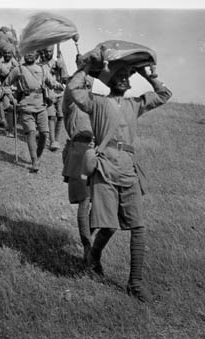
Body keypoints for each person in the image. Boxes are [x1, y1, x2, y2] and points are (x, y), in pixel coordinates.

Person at [67, 54, 172, 302]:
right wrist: (86, 68)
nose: (124, 80)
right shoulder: (96, 102)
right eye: (119, 76)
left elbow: (165, 95)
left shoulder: (135, 104)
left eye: (127, 76)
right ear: (109, 79)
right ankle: (93, 257)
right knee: (109, 225)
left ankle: (134, 283)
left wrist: (149, 75)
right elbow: (73, 89)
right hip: (104, 168)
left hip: (128, 169)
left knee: (138, 227)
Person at [3, 51, 64, 172]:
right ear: (23, 55)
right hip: (25, 106)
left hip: (41, 106)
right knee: (31, 132)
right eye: (27, 53)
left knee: (44, 134)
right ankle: (34, 161)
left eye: (32, 53)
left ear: (36, 55)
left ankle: (38, 156)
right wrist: (12, 98)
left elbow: (51, 82)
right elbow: (5, 85)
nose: (29, 55)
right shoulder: (18, 69)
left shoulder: (42, 69)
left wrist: (59, 85)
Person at [61, 61, 94, 262]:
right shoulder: (71, 102)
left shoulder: (94, 103)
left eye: (89, 85)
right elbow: (71, 90)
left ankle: (91, 245)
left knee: (98, 203)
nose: (85, 88)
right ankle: (87, 248)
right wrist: (84, 68)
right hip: (79, 153)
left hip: (97, 153)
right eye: (83, 85)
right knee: (85, 201)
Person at [39, 45, 69, 151]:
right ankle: (52, 141)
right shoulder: (41, 65)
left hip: (59, 93)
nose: (47, 54)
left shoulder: (58, 63)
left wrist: (62, 67)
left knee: (60, 116)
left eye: (50, 51)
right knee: (51, 116)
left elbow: (65, 77)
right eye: (46, 51)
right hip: (49, 94)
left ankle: (56, 139)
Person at [0, 41, 19, 137]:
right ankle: (10, 130)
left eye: (9, 53)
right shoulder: (0, 65)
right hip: (5, 88)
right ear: (2, 54)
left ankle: (14, 128)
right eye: (5, 53)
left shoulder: (15, 64)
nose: (7, 55)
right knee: (9, 109)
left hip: (15, 88)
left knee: (15, 109)